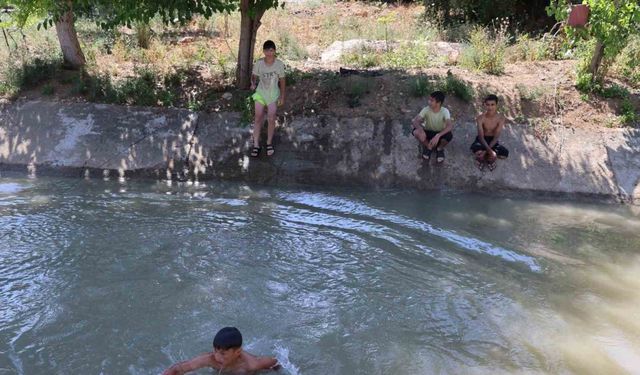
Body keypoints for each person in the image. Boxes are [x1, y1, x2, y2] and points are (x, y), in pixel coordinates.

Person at [161, 327, 279, 374]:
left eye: (223, 354)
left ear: (237, 352)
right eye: (215, 351)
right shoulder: (210, 359)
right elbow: (178, 369)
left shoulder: (252, 364)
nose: (217, 357)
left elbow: (277, 363)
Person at [250, 40, 286, 158]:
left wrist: (282, 96)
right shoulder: (259, 63)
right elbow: (254, 76)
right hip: (260, 93)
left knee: (271, 117)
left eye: (272, 51)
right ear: (264, 52)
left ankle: (269, 143)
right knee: (258, 117)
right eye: (267, 51)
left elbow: (282, 80)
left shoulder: (279, 64)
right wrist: (253, 83)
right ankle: (256, 145)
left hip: (273, 94)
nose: (269, 53)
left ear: (275, 51)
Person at [411, 91, 454, 163]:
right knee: (416, 132)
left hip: (439, 133)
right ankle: (428, 147)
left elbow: (449, 126)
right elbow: (415, 121)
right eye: (429, 100)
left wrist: (438, 135)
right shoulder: (426, 109)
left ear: (438, 103)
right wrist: (420, 129)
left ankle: (439, 149)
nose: (429, 102)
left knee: (449, 135)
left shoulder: (445, 111)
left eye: (432, 100)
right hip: (428, 132)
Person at [470, 94, 509, 171]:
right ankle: (487, 156)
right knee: (476, 150)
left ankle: (486, 156)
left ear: (496, 105)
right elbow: (480, 137)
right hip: (482, 140)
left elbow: (496, 136)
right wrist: (490, 151)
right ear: (484, 105)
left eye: (492, 105)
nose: (490, 107)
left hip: (493, 141)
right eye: (487, 105)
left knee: (505, 154)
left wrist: (486, 151)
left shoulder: (501, 118)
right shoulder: (480, 118)